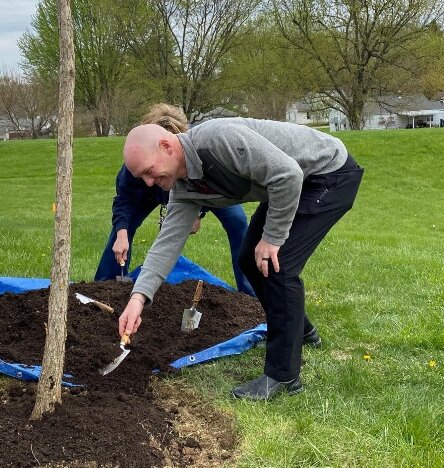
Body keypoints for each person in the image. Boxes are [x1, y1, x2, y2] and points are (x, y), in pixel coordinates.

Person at [119, 118, 364, 400]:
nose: (149, 183)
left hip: (327, 174)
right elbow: (167, 244)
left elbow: (288, 175)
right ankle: (302, 331)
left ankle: (283, 377)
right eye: (143, 178)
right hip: (291, 182)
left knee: (277, 265)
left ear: (166, 146)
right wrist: (138, 299)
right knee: (249, 259)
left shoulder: (218, 141)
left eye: (149, 172)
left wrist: (272, 238)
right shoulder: (184, 187)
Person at [95, 104, 254, 296]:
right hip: (151, 191)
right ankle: (105, 288)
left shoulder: (193, 152)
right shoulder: (138, 164)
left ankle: (251, 293)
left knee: (237, 222)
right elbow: (124, 200)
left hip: (201, 190)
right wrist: (121, 233)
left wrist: (197, 211)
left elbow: (208, 181)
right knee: (122, 230)